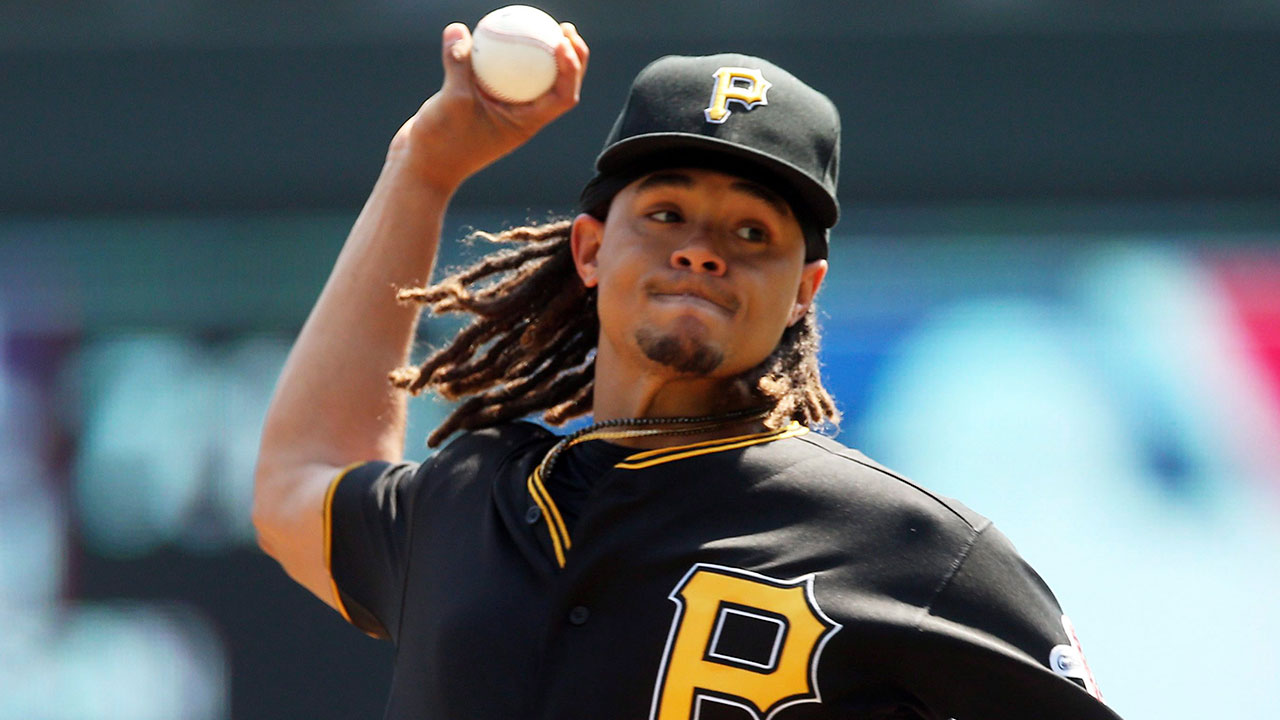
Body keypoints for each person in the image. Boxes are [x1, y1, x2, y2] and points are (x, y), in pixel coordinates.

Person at [252, 19, 1124, 720]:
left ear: (803, 291)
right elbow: (299, 479)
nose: (703, 250)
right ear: (590, 250)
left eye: (753, 232)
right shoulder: (474, 503)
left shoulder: (913, 551)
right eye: (667, 213)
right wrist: (423, 169)